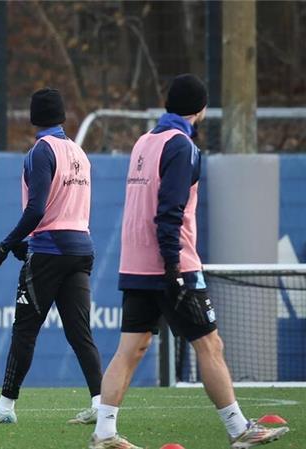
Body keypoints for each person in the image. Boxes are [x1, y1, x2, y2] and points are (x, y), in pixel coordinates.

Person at [88, 74, 289, 449]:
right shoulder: (182, 146)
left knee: (130, 350)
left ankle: (104, 433)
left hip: (135, 263)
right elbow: (170, 211)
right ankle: (238, 429)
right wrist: (172, 266)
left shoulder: (144, 141)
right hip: (171, 263)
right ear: (201, 110)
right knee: (210, 345)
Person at [0, 88, 102, 425]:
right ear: (62, 116)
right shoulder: (78, 152)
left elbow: (38, 209)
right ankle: (101, 405)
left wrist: (6, 244)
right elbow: (64, 208)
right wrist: (23, 241)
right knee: (80, 332)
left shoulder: (40, 152)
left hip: (49, 251)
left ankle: (4, 408)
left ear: (33, 117)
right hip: (81, 248)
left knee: (25, 330)